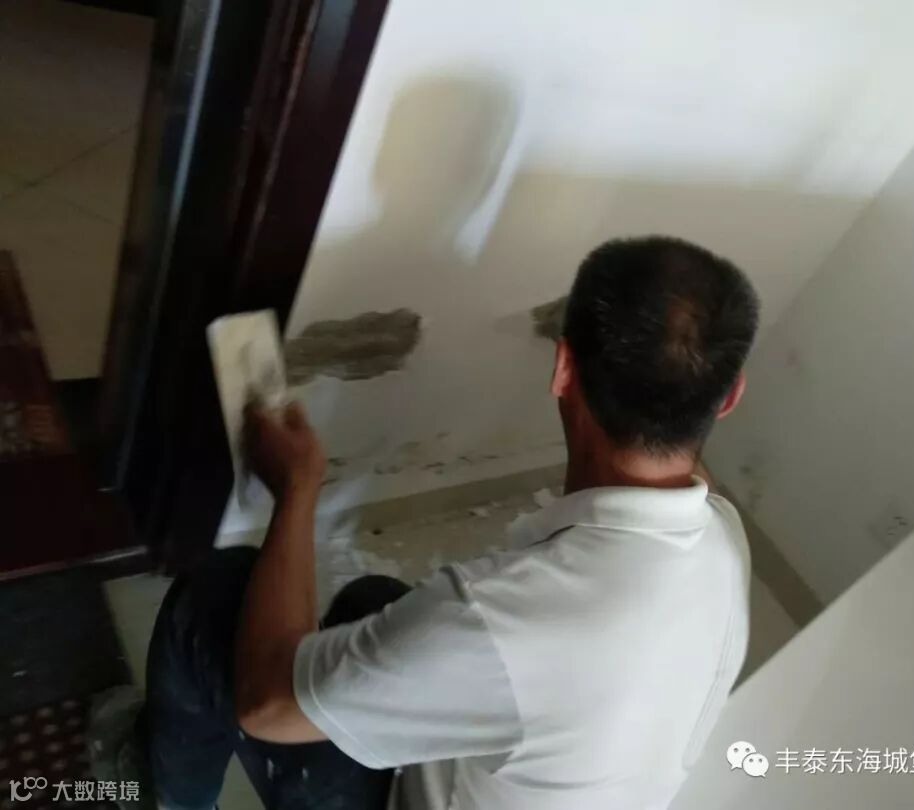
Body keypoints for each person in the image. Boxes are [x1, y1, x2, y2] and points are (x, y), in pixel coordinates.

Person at [143, 236, 761, 810]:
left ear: (562, 368)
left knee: (210, 597)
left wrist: (297, 490)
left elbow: (267, 703)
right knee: (371, 601)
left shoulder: (500, 620)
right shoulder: (721, 538)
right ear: (731, 397)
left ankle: (168, 796)